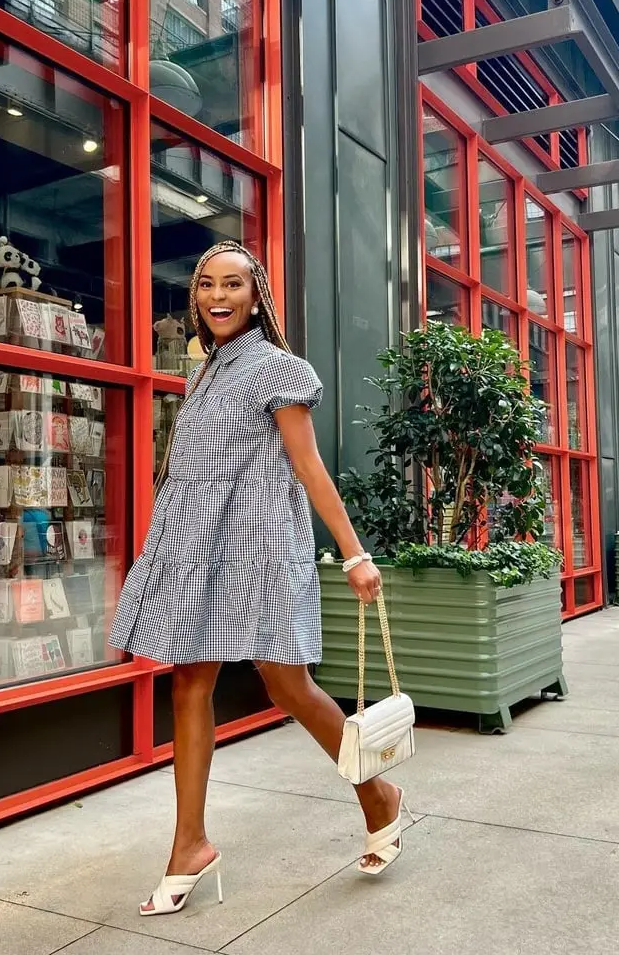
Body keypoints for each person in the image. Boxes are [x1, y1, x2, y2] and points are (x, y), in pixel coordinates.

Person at [109, 241, 410, 917]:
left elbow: (308, 468)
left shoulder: (279, 369)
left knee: (287, 684)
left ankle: (378, 794)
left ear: (257, 294)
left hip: (261, 544)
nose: (219, 296)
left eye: (234, 284)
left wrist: (355, 554)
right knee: (189, 680)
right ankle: (189, 843)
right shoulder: (203, 372)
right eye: (207, 284)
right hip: (197, 545)